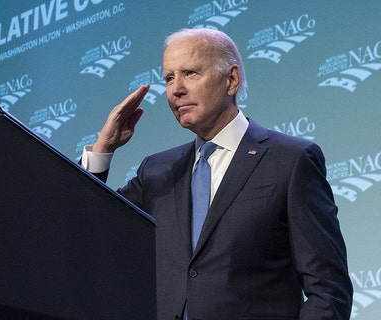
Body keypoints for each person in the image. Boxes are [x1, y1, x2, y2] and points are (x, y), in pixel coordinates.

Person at [81, 28, 353, 319]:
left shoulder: (291, 160)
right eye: (169, 78)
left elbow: (329, 289)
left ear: (231, 80)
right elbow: (88, 229)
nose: (176, 89)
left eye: (190, 73)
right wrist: (102, 150)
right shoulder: (157, 171)